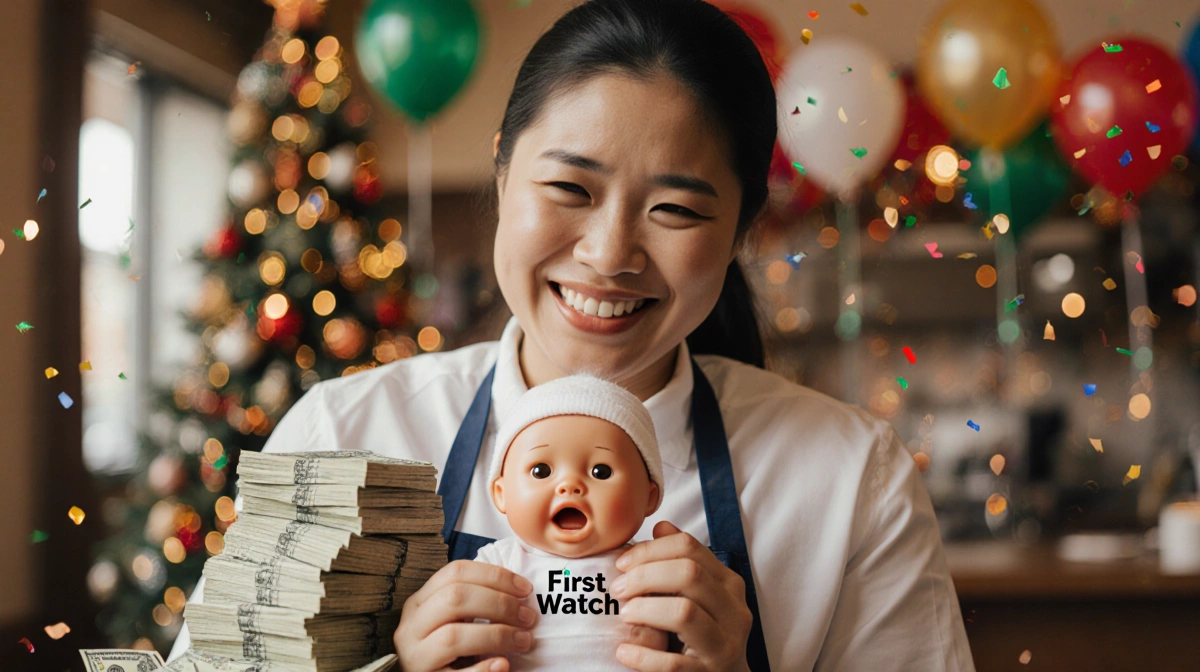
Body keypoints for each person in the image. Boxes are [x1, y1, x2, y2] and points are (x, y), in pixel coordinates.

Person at [171, 0, 975, 670]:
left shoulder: (848, 479)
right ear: (502, 171)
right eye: (569, 188)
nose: (610, 254)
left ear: (740, 232)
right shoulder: (346, 435)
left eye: (676, 209)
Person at [474, 374, 670, 670]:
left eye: (601, 471)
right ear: (502, 494)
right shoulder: (498, 563)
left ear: (649, 496)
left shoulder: (649, 568)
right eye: (541, 471)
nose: (569, 485)